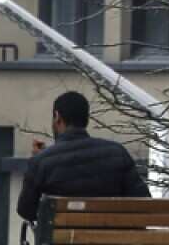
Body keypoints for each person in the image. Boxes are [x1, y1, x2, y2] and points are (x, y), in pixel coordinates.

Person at [16, 91, 150, 222]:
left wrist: (38, 161)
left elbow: (26, 211)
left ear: (57, 116)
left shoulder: (42, 162)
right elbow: (143, 202)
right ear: (86, 118)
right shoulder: (117, 153)